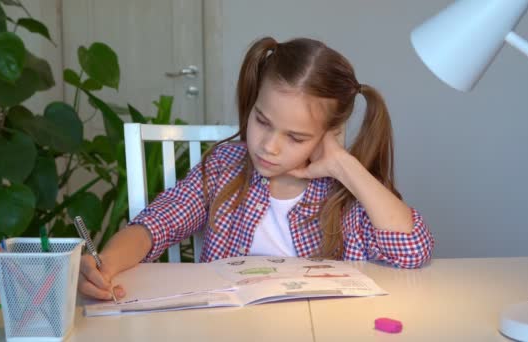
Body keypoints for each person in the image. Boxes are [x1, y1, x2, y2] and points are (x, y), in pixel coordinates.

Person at [78, 36, 434, 300]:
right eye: (262, 121)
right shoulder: (224, 168)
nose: (269, 146)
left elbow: (412, 251)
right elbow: (157, 224)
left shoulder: (345, 196)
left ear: (328, 136)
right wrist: (107, 260)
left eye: (295, 137)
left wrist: (344, 165)